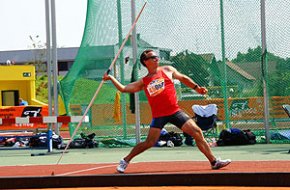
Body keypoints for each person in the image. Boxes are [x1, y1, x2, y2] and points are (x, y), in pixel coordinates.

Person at [103, 49, 231, 173]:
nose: (156, 59)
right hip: (159, 116)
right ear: (145, 61)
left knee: (197, 132)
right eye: (153, 57)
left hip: (175, 112)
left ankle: (214, 162)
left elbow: (183, 78)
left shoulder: (167, 70)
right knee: (149, 142)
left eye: (156, 57)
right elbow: (124, 89)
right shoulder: (144, 81)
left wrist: (197, 88)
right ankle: (125, 161)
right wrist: (111, 78)